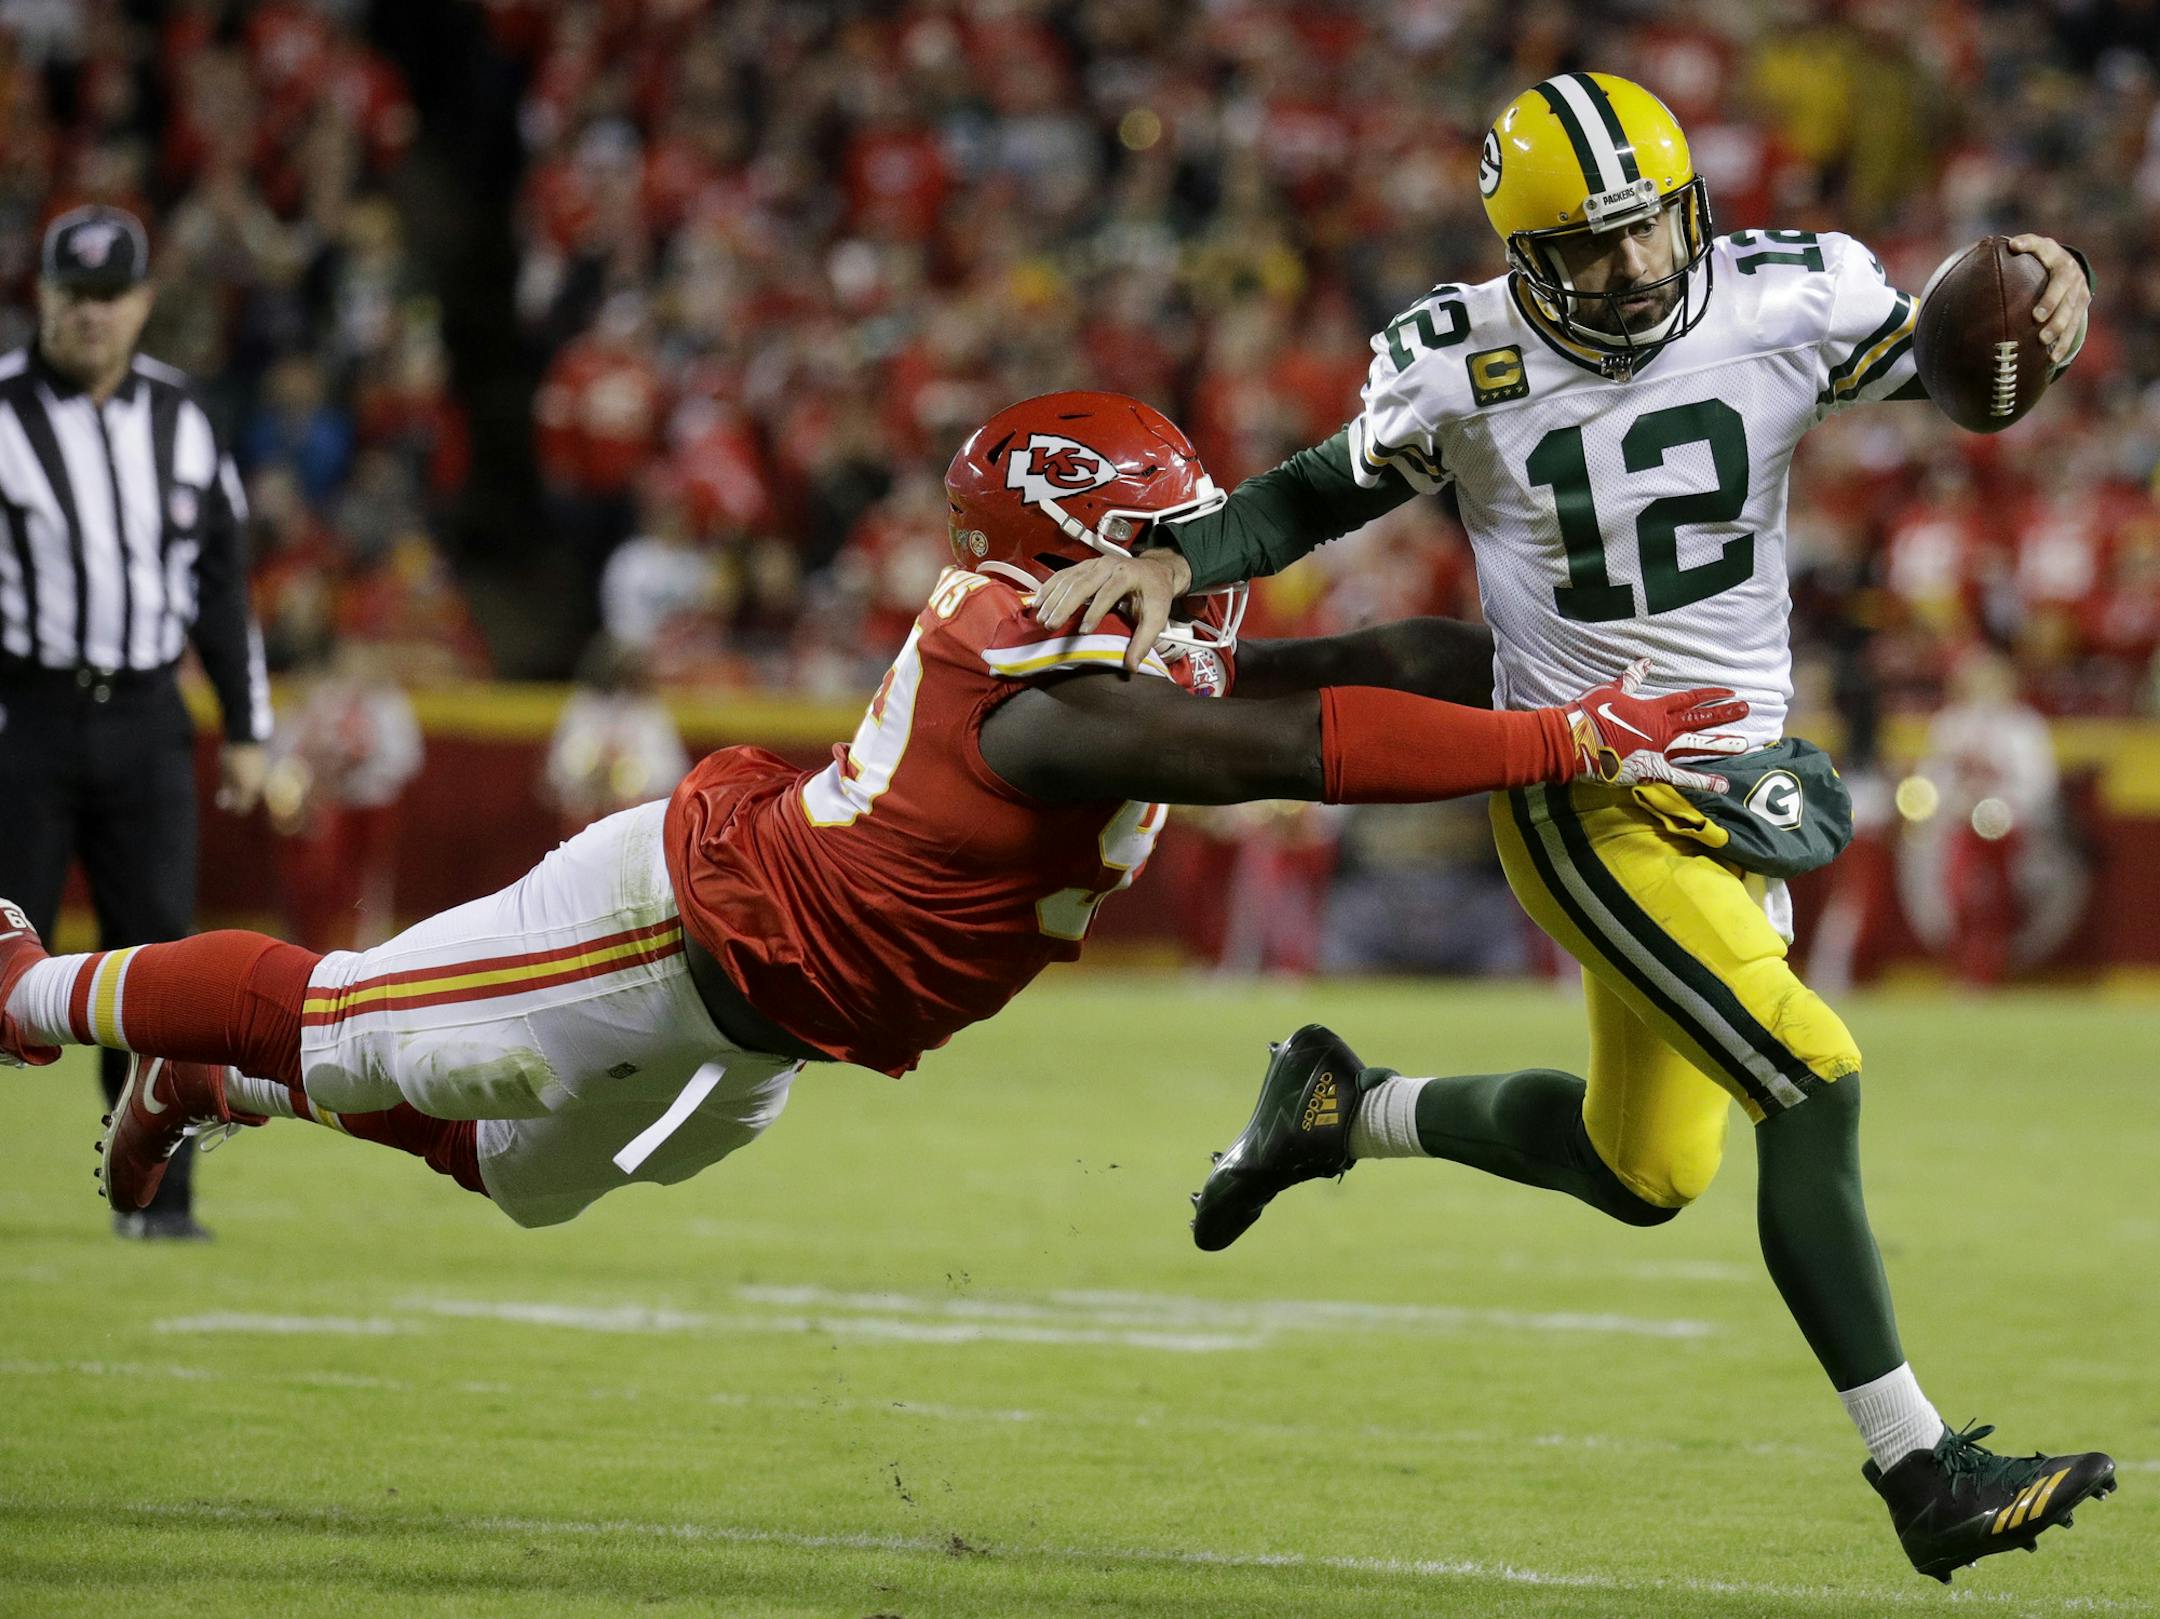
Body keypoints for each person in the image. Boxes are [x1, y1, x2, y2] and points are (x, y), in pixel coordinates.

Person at [1035, 74, 2113, 1583]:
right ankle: (1923, 1468)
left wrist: (2027, 315)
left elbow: (1948, 367)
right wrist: (1174, 554)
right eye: (1591, 248)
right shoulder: (1463, 357)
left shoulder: (1789, 295)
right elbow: (1310, 495)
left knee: (1645, 1169)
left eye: (1651, 229)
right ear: (1528, 256)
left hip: (1736, 776)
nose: (1635, 268)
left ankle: (1347, 1102)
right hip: (1587, 790)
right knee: (1813, 1074)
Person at [0, 388, 1740, 1233]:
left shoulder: (1115, 643)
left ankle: (218, 1080)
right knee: (375, 1028)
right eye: (1141, 538)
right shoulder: (1040, 695)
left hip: (774, 1034)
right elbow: (1280, 751)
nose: (1179, 568)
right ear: (1060, 557)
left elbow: (1375, 651)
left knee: (520, 1177)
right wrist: (1567, 742)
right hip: (669, 919)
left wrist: (1567, 650)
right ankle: (38, 989)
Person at [0, 204, 272, 1241]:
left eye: (111, 297)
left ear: (144, 302)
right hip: (25, 715)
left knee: (157, 970)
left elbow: (222, 581)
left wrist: (246, 725)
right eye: (75, 293)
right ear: (45, 296)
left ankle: (159, 1203)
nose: (92, 315)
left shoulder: (184, 416)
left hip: (149, 719)